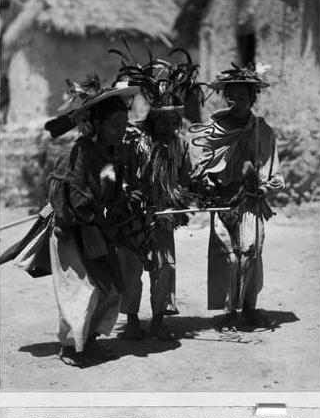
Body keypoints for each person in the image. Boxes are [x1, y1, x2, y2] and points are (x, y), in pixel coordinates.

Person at [45, 81, 139, 366]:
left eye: (124, 122)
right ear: (96, 124)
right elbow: (71, 198)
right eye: (114, 124)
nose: (121, 129)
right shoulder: (78, 154)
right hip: (70, 231)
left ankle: (91, 341)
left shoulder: (112, 154)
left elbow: (109, 185)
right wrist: (94, 217)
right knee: (82, 289)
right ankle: (72, 348)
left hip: (96, 230)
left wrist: (124, 199)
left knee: (111, 286)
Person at [191, 63, 284, 331]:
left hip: (251, 202)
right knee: (229, 257)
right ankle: (231, 312)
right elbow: (203, 165)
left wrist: (263, 188)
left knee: (251, 252)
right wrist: (207, 185)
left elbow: (271, 170)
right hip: (223, 200)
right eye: (232, 97)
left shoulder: (262, 131)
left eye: (244, 97)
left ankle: (250, 308)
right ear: (226, 98)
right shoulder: (214, 129)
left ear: (253, 97)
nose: (237, 102)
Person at [118, 106, 193, 341]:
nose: (169, 129)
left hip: (163, 216)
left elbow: (185, 178)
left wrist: (179, 198)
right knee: (131, 269)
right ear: (152, 122)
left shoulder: (180, 145)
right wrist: (128, 192)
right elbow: (120, 173)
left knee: (165, 267)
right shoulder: (134, 144)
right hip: (133, 216)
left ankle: (159, 320)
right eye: (164, 123)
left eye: (173, 124)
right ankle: (131, 321)